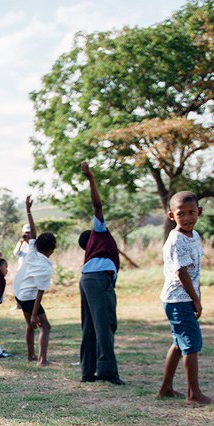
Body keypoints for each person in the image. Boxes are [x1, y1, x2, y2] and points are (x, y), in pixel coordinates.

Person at [156, 193, 214, 406]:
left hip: (185, 297)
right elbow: (181, 273)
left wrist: (197, 296)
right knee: (190, 343)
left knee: (179, 342)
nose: (187, 218)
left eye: (192, 212)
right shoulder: (176, 240)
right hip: (178, 299)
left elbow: (194, 271)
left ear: (199, 211)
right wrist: (196, 300)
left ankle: (165, 388)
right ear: (171, 216)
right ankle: (194, 394)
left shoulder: (194, 235)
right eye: (181, 214)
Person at [78, 163, 123, 385]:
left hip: (87, 279)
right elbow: (97, 205)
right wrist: (91, 178)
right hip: (98, 279)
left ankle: (88, 371)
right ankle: (107, 370)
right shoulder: (100, 232)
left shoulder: (94, 251)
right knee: (105, 324)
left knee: (90, 326)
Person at [15, 232, 57, 366]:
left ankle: (31, 356)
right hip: (29, 297)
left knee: (30, 325)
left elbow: (33, 232)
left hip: (20, 293)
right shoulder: (45, 267)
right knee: (45, 326)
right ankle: (42, 360)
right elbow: (40, 292)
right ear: (52, 249)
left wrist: (29, 216)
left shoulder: (32, 252)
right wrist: (34, 314)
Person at [11, 195, 37, 308]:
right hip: (21, 268)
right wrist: (22, 243)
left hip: (30, 269)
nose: (27, 235)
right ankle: (19, 304)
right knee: (19, 286)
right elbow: (16, 253)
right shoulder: (21, 243)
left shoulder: (33, 242)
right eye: (26, 233)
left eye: (28, 233)